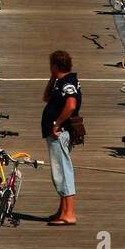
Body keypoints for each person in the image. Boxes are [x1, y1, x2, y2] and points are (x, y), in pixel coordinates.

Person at [41, 49, 80, 225]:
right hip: (56, 133)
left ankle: (69, 213)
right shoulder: (62, 81)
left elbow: (71, 105)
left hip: (60, 133)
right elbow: (45, 97)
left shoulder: (68, 83)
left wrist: (57, 123)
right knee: (59, 172)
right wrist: (53, 77)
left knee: (63, 171)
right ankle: (62, 210)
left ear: (55, 65)